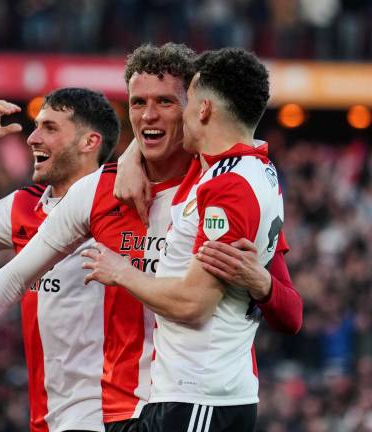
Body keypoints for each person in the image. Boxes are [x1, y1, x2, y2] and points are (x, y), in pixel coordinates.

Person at [0, 44, 301, 432]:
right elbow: (14, 276)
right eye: (138, 103)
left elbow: (290, 312)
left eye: (165, 102)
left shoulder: (220, 185)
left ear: (195, 108)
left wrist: (262, 284)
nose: (149, 116)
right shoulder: (99, 192)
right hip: (112, 411)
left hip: (192, 401)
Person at [82, 48, 288, 431]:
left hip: (199, 395)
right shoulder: (256, 170)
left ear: (204, 110)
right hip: (202, 396)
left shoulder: (228, 187)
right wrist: (132, 154)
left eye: (184, 102)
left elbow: (194, 304)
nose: (177, 113)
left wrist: (122, 272)